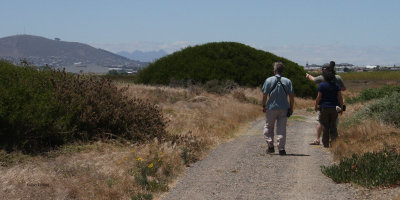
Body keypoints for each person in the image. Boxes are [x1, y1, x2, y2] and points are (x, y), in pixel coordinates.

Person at [306, 61, 346, 145]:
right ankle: (333, 141)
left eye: (322, 69)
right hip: (335, 105)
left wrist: (308, 75)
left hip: (324, 105)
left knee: (322, 123)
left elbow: (313, 80)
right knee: (333, 124)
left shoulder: (322, 79)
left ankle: (319, 140)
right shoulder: (337, 78)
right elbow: (343, 89)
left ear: (325, 70)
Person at [262, 62, 294, 155]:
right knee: (281, 128)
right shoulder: (288, 81)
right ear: (282, 71)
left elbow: (264, 94)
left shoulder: (268, 80)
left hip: (271, 107)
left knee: (268, 126)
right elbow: (291, 97)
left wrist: (263, 105)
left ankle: (270, 146)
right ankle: (281, 149)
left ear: (275, 70)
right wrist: (291, 108)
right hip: (284, 108)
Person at [314, 68, 343, 148]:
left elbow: (319, 97)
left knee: (325, 126)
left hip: (324, 108)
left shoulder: (322, 85)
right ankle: (334, 143)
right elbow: (340, 97)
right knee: (333, 126)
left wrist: (316, 105)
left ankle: (326, 144)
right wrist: (341, 107)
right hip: (334, 108)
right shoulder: (336, 85)